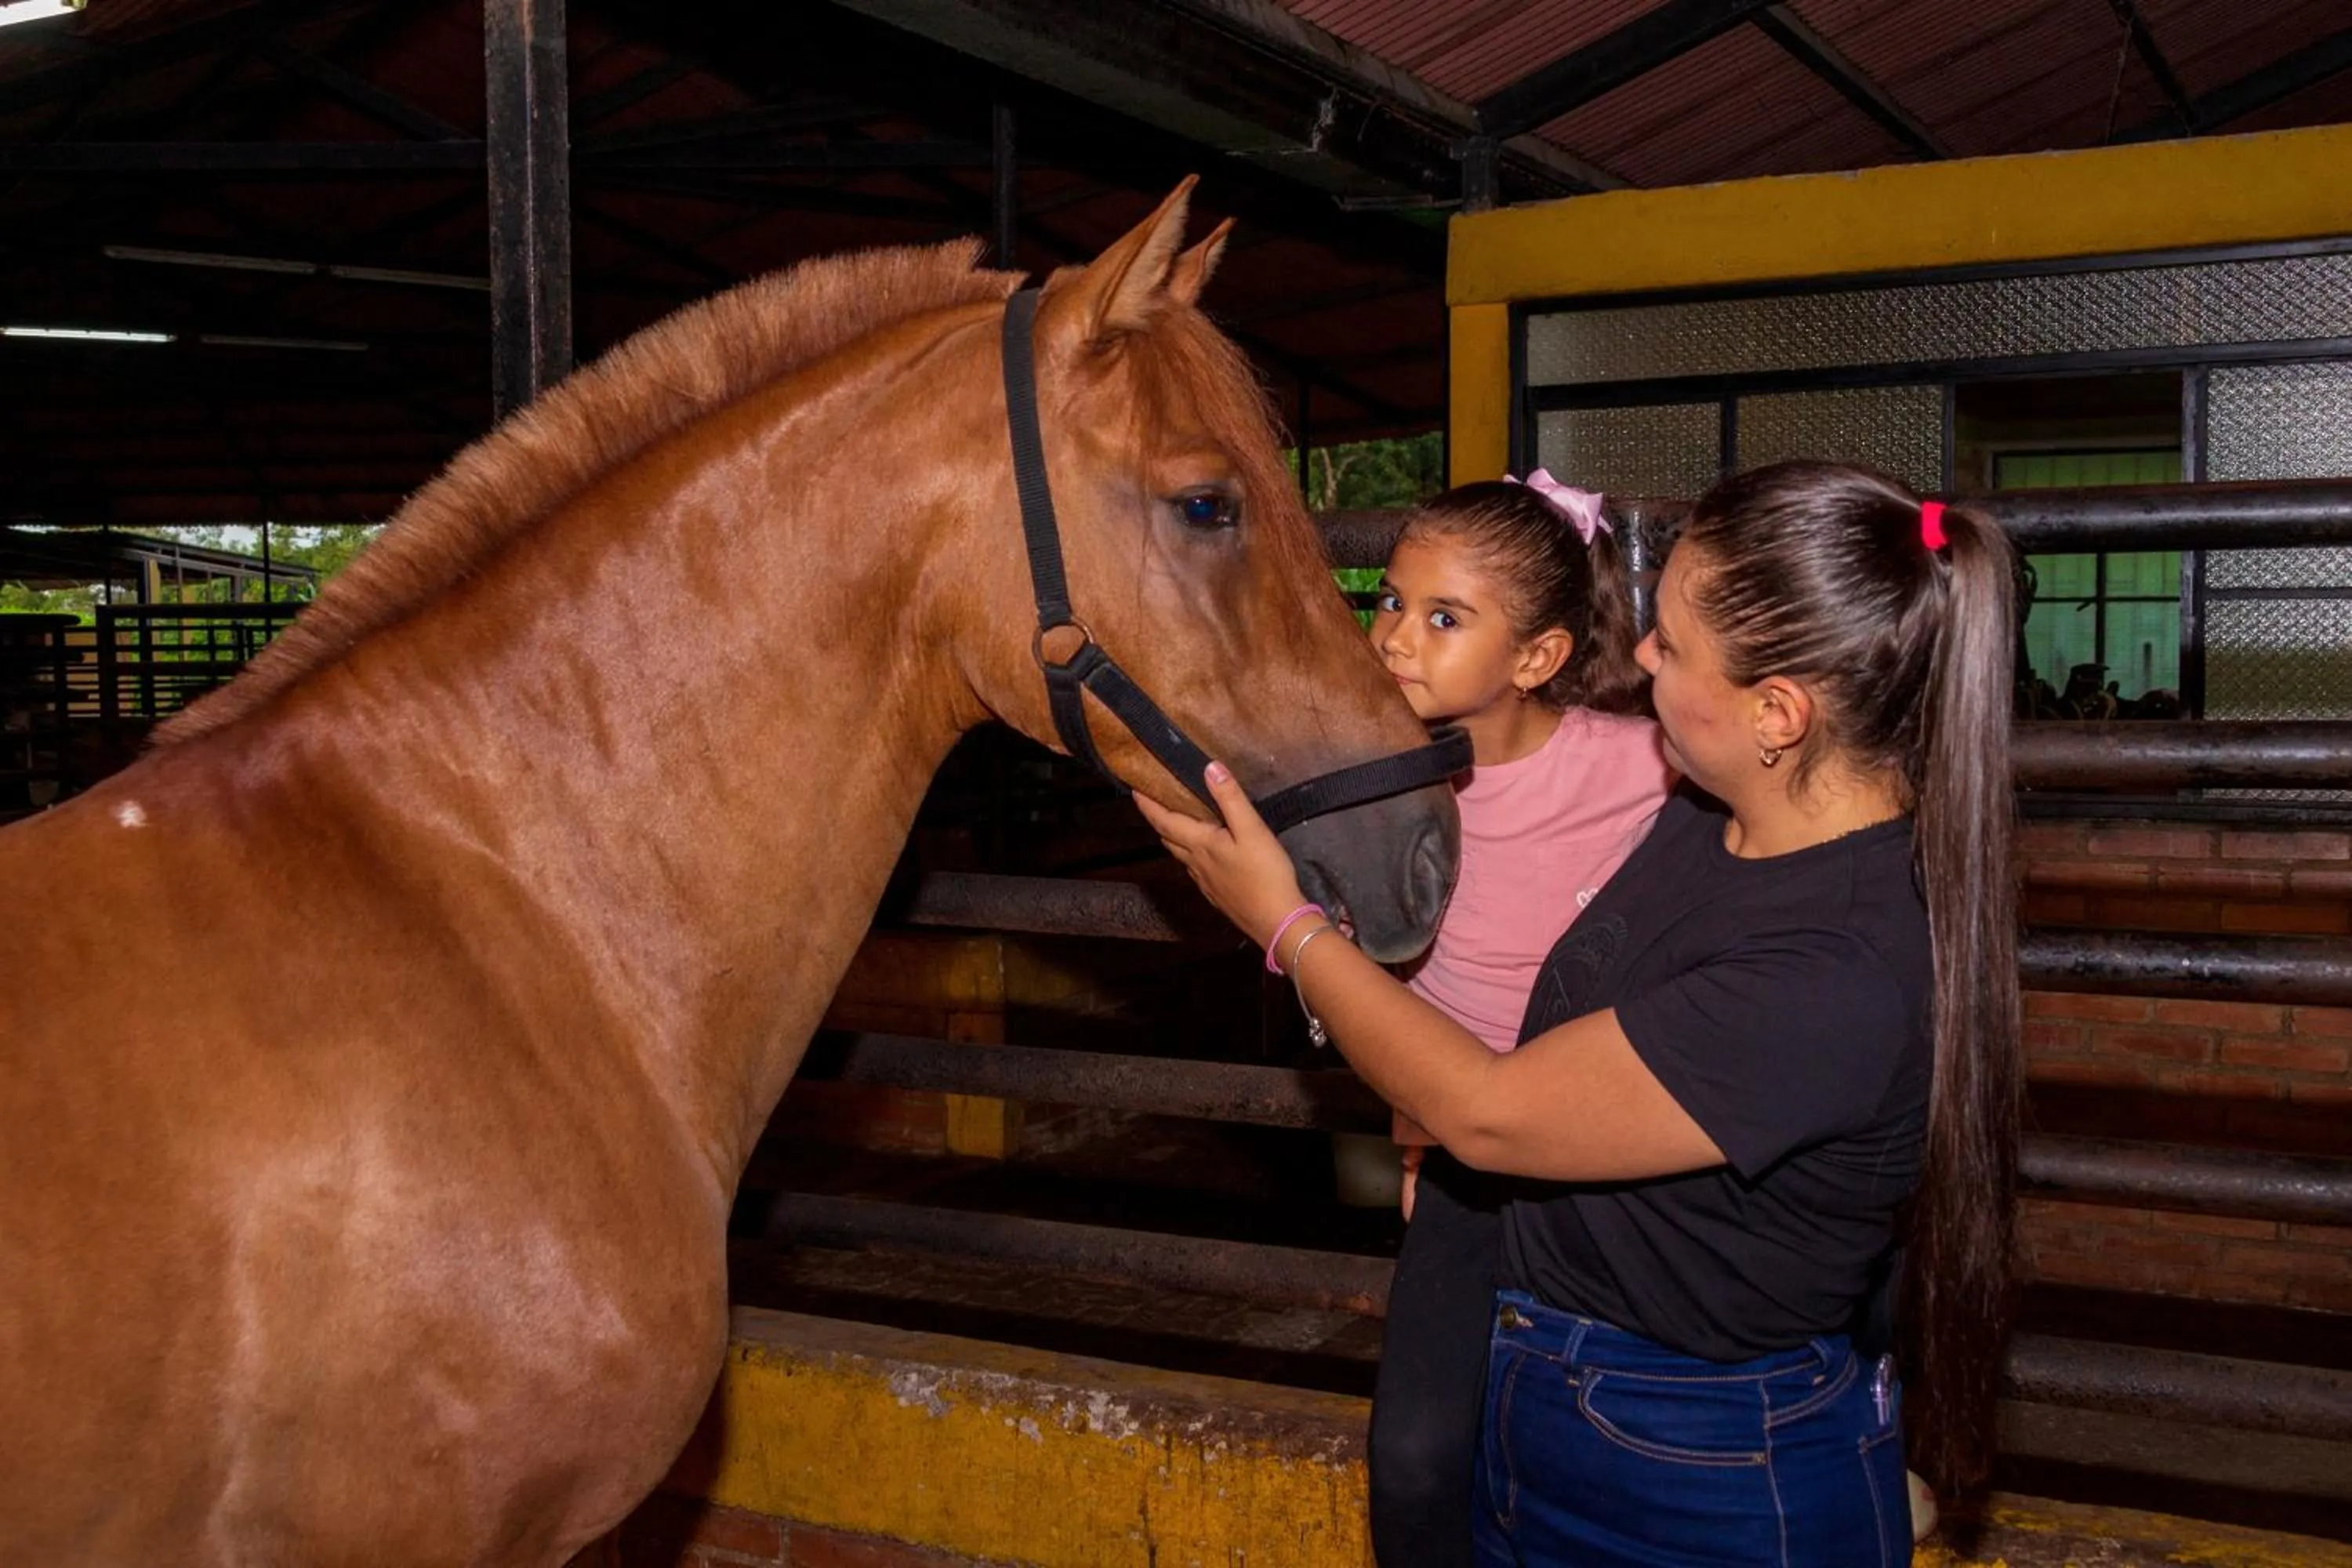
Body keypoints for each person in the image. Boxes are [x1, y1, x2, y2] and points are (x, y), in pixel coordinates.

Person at [1140, 461, 2020, 1566]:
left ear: (1779, 714)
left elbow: (1492, 1110)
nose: (1639, 657)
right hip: (1560, 1400)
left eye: (1674, 648)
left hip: (1704, 1469)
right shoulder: (1713, 819)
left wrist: (1286, 925)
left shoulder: (1838, 968)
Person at [1356, 473, 1671, 1568]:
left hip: (1614, 1148)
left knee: (1604, 1440)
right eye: (1391, 601)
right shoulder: (1367, 782)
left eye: (1445, 618)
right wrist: (1413, 1132)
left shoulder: (1639, 765)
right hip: (1463, 1156)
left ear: (1537, 658)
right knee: (1413, 1461)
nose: (1397, 637)